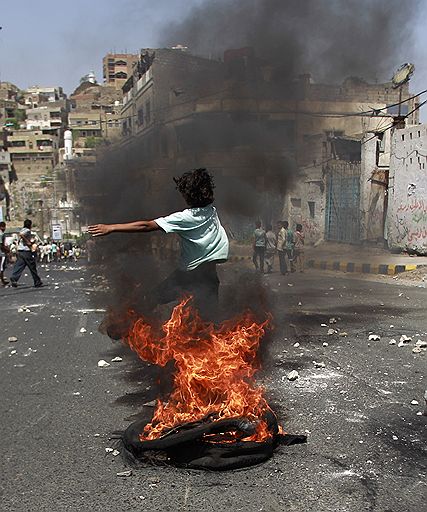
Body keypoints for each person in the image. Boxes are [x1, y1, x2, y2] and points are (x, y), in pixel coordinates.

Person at [88, 168, 229, 320]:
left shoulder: (186, 218)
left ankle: (122, 326)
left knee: (151, 299)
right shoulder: (211, 211)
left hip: (189, 275)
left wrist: (112, 227)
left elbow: (146, 226)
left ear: (188, 196)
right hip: (210, 275)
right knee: (209, 320)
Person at [10, 219, 43, 288]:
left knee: (19, 266)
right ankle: (37, 282)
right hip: (26, 251)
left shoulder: (22, 229)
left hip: (20, 251)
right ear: (30, 225)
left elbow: (20, 234)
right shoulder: (27, 231)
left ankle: (14, 278)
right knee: (32, 267)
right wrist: (28, 242)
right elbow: (21, 235)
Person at [0, 221, 9, 286]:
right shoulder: (1, 234)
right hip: (1, 253)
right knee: (1, 267)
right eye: (4, 227)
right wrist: (7, 250)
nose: (4, 228)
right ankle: (2, 280)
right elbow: (0, 244)